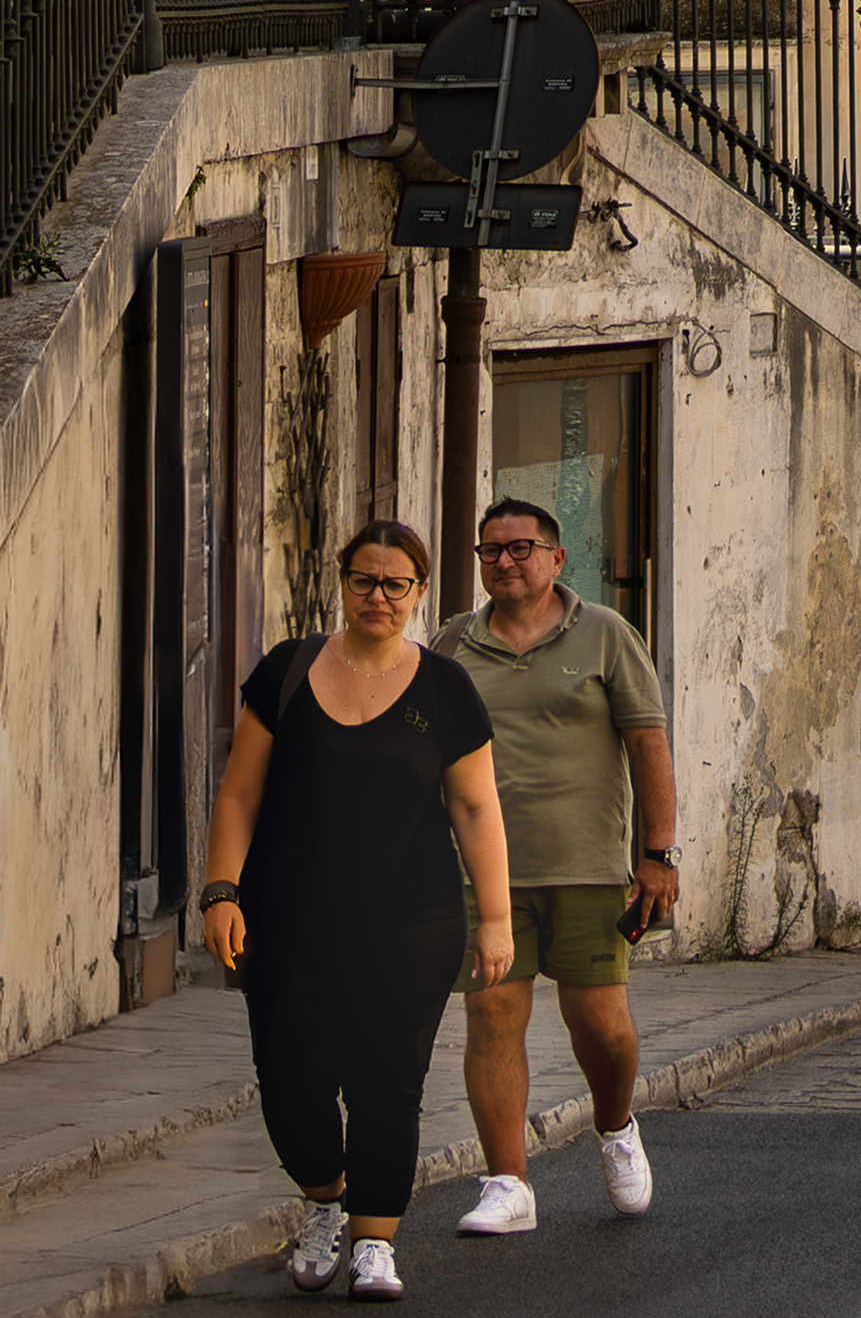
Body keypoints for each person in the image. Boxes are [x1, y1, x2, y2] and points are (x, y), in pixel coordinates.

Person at [200, 516, 515, 1302]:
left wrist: (497, 919)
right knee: (288, 1077)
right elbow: (240, 790)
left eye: (396, 583)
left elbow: (477, 810)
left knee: (388, 1080)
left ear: (419, 592)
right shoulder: (288, 670)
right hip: (286, 919)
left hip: (411, 924)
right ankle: (324, 1198)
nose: (378, 595)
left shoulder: (445, 689)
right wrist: (220, 888)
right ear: (341, 582)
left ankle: (376, 1239)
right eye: (363, 579)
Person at [444, 495, 676, 1238]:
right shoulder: (452, 645)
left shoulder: (605, 634)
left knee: (601, 1023)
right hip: (485, 876)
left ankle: (615, 1127)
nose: (504, 561)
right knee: (491, 1013)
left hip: (587, 866)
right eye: (490, 551)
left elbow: (648, 744)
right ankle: (509, 1182)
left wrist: (658, 853)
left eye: (520, 547)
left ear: (555, 556)